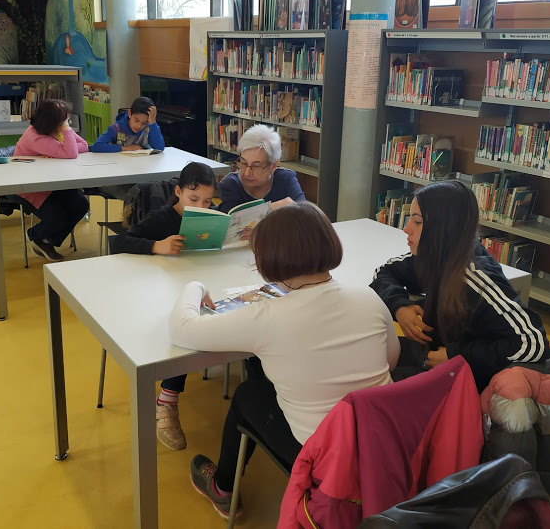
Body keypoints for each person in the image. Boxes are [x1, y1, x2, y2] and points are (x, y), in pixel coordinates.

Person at [169, 202, 400, 520]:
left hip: (323, 463)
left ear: (268, 258)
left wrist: (195, 285)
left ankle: (223, 487)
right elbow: (390, 361)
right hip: (385, 447)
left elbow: (182, 329)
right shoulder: (368, 297)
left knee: (247, 395)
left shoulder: (268, 316)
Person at [370, 180, 550, 391]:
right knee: (369, 354)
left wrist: (456, 356)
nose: (406, 228)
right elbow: (384, 272)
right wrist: (400, 306)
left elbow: (534, 343)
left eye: (417, 221)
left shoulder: (475, 278)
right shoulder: (435, 256)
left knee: (371, 383)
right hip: (439, 359)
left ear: (443, 228)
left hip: (467, 382)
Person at [107, 161, 216, 451]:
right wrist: (156, 246)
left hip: (202, 284)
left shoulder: (212, 215)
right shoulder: (163, 217)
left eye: (207, 201)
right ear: (178, 192)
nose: (201, 207)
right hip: (163, 293)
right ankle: (167, 398)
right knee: (184, 325)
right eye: (194, 199)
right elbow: (119, 242)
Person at [14, 99, 90, 262]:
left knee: (81, 205)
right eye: (65, 120)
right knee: (58, 219)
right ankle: (36, 235)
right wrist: (65, 146)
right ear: (53, 122)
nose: (68, 123)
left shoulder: (56, 130)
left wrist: (61, 151)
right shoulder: (36, 137)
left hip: (55, 180)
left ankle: (46, 241)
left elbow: (84, 145)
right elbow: (71, 153)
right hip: (31, 186)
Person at [217, 124, 305, 214]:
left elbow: (306, 213)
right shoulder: (231, 184)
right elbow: (232, 220)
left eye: (256, 166)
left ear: (273, 166)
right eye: (244, 163)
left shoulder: (286, 179)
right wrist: (271, 208)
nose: (247, 173)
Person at [90, 96, 165, 154]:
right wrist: (124, 148)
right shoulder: (116, 128)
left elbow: (159, 148)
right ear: (129, 113)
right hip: (120, 165)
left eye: (144, 123)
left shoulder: (149, 127)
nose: (139, 126)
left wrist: (153, 122)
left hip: (143, 165)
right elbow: (97, 146)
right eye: (136, 120)